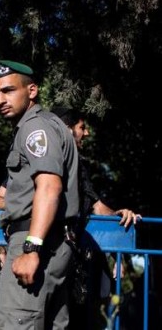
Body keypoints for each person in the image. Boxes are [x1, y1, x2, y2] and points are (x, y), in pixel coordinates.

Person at [0, 60, 79, 329]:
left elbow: (49, 186)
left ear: (32, 91)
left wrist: (31, 248)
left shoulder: (35, 128)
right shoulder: (48, 125)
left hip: (37, 241)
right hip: (53, 242)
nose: (0, 99)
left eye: (8, 90)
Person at [50, 107, 140, 330]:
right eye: (82, 127)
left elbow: (97, 206)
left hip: (77, 266)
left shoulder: (79, 166)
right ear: (67, 129)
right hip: (50, 260)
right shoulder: (39, 160)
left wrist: (121, 217)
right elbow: (0, 200)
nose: (86, 133)